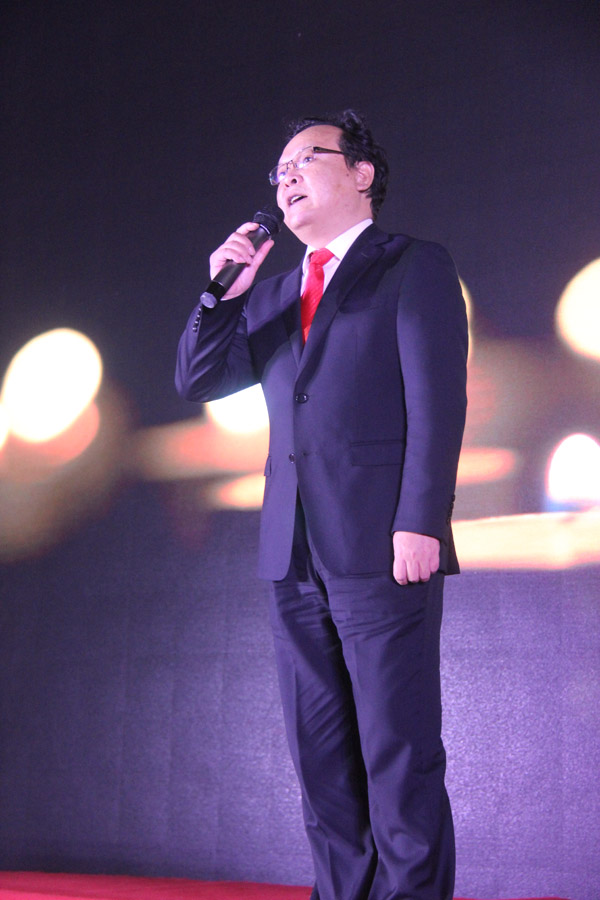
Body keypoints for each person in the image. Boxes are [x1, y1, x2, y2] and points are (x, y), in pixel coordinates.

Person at [176, 109, 468, 900]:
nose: (287, 179)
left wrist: (420, 520)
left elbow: (437, 402)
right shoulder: (271, 295)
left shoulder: (411, 265)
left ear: (361, 173)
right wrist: (222, 292)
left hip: (381, 546)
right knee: (321, 757)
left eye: (306, 160)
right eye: (279, 172)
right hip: (292, 552)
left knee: (397, 750)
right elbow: (197, 379)